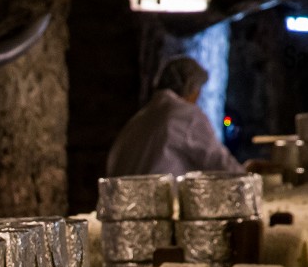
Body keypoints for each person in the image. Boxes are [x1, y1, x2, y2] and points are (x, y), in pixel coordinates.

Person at [107, 57, 261, 177]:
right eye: (198, 92)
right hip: (157, 206)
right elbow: (219, 163)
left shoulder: (141, 118)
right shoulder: (186, 116)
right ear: (191, 88)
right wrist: (248, 176)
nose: (197, 99)